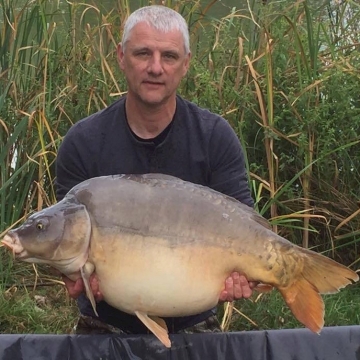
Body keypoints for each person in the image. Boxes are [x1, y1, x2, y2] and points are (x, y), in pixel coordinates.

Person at [55, 5, 256, 335]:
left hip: (194, 320)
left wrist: (240, 277)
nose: (155, 67)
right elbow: (68, 244)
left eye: (170, 56)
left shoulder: (215, 137)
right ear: (121, 56)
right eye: (143, 53)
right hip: (105, 322)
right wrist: (73, 274)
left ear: (186, 64)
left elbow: (244, 226)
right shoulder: (83, 142)